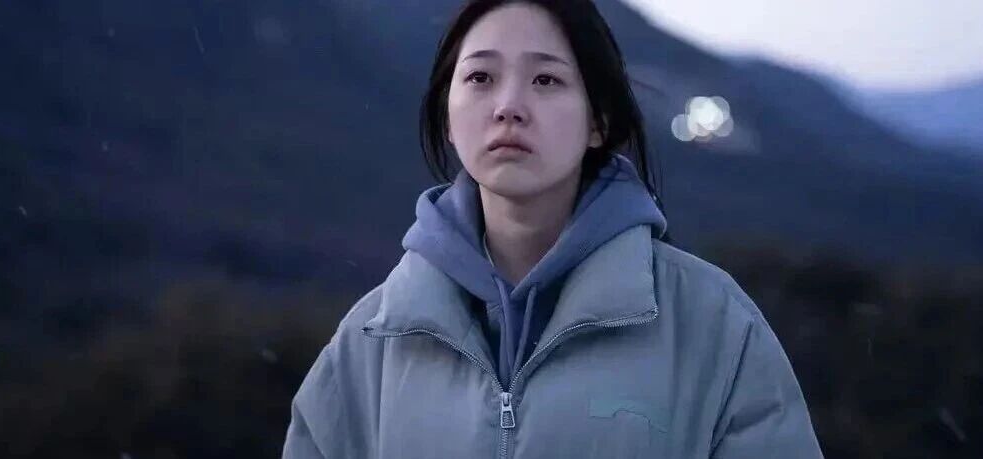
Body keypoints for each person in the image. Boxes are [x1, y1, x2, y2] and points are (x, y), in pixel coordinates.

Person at [282, 0, 823, 457]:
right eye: (480, 78)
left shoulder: (712, 325)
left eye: (546, 80)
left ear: (598, 122)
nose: (508, 107)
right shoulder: (374, 340)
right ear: (448, 115)